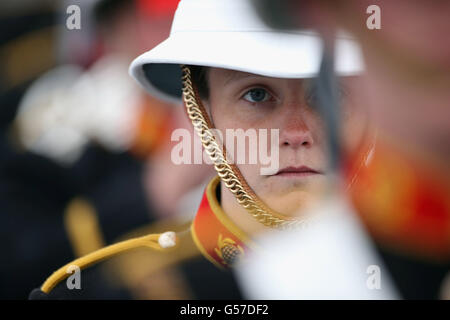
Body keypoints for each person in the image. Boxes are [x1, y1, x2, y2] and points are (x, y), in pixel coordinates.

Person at [29, 0, 367, 299]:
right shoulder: (136, 288)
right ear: (201, 112)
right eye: (257, 95)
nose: (297, 133)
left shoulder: (416, 271)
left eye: (330, 94)